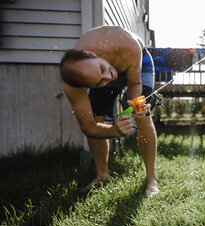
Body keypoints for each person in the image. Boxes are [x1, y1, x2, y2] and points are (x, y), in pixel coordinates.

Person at [59, 26, 159, 196]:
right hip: (106, 63)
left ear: (91, 55)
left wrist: (135, 104)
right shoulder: (73, 82)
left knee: (142, 116)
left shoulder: (126, 45)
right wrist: (115, 130)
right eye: (98, 83)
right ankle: (102, 176)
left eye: (102, 72)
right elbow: (89, 126)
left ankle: (151, 179)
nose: (109, 78)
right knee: (96, 116)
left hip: (137, 60)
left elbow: (135, 84)